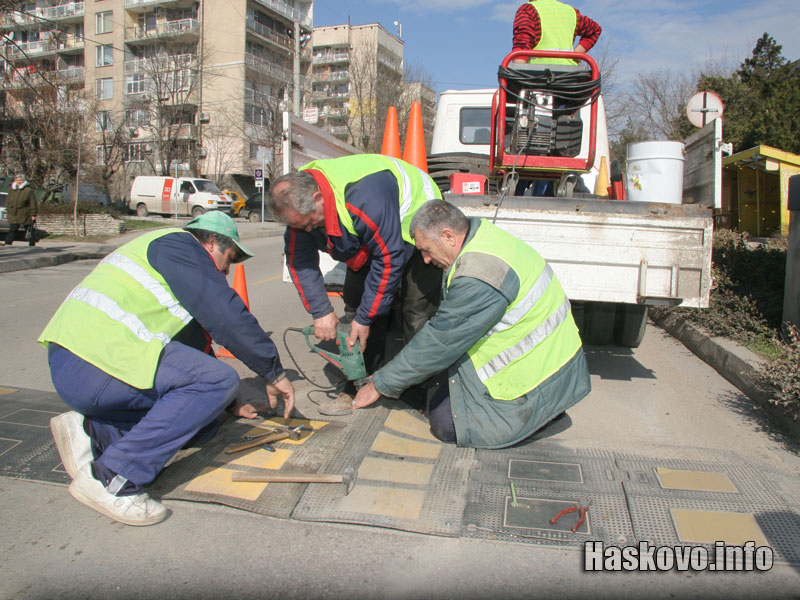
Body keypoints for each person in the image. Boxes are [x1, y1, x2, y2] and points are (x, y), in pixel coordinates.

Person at [39, 211, 295, 526]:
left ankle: (93, 433)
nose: (227, 271)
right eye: (228, 259)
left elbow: (192, 350)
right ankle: (112, 480)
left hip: (81, 365)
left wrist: (228, 402)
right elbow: (224, 312)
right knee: (219, 381)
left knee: (203, 422)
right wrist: (274, 373)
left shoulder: (164, 257)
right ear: (211, 240)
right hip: (96, 361)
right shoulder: (179, 246)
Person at [353, 200, 591, 448]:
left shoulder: (479, 275)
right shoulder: (482, 238)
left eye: (425, 250)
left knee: (447, 423)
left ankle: (541, 418)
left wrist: (380, 385)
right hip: (553, 359)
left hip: (537, 377)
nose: (424, 259)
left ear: (448, 236)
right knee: (433, 386)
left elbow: (440, 340)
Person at [267, 155, 443, 414]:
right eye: (297, 226)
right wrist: (321, 312)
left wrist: (366, 317)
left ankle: (418, 388)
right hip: (373, 234)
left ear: (318, 198)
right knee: (356, 306)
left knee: (415, 313)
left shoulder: (363, 197)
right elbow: (300, 261)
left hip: (418, 223)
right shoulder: (300, 203)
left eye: (307, 223)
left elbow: (388, 258)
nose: (305, 230)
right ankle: (358, 382)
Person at [511, 0, 601, 65]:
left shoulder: (528, 10)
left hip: (537, 78)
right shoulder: (570, 12)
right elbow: (595, 30)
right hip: (570, 78)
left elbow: (521, 49)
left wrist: (518, 80)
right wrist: (576, 54)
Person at [4, 173, 37, 246]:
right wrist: (9, 209)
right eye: (17, 180)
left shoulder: (28, 190)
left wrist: (33, 214)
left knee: (29, 230)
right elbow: (8, 200)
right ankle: (7, 244)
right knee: (12, 230)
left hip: (25, 214)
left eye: (20, 180)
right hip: (14, 214)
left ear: (23, 181)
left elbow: (33, 203)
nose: (18, 181)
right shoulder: (11, 189)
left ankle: (32, 244)